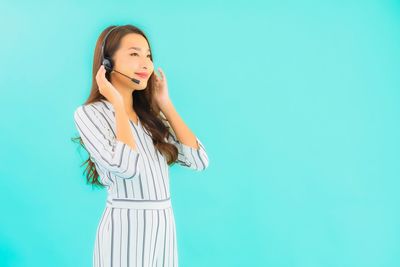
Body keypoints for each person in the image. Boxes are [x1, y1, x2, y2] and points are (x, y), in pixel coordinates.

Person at [72, 24, 209, 267]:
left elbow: (199, 162)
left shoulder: (151, 119)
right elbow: (125, 166)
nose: (146, 63)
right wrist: (116, 102)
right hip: (125, 229)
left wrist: (164, 104)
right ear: (107, 63)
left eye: (148, 55)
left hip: (164, 226)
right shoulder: (88, 114)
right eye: (134, 54)